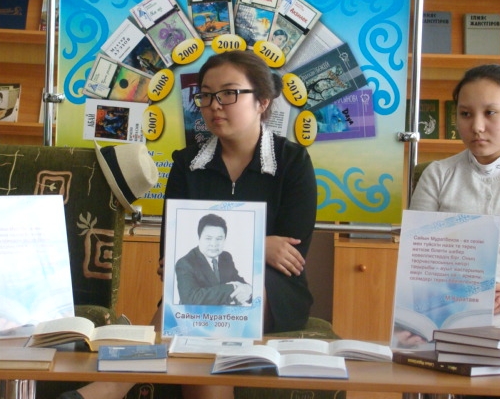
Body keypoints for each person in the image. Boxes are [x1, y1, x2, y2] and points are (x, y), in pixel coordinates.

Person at [59, 50, 317, 399]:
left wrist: (245, 251)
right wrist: (260, 245)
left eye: (229, 93)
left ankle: (109, 389)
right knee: (195, 310)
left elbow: (290, 254)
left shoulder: (292, 161)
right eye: (206, 95)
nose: (214, 105)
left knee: (202, 307)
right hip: (195, 288)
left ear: (262, 102)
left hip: (274, 291)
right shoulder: (187, 163)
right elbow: (172, 253)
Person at [409, 64, 500, 398]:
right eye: (465, 114)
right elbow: (419, 262)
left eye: (490, 113)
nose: (476, 126)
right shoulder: (437, 175)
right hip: (453, 304)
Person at [175, 213, 252, 305]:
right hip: (195, 314)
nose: (214, 244)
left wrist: (248, 289)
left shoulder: (226, 257)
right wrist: (232, 288)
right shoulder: (185, 263)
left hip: (226, 313)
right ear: (199, 238)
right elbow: (190, 299)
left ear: (225, 239)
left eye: (219, 239)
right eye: (208, 238)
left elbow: (239, 282)